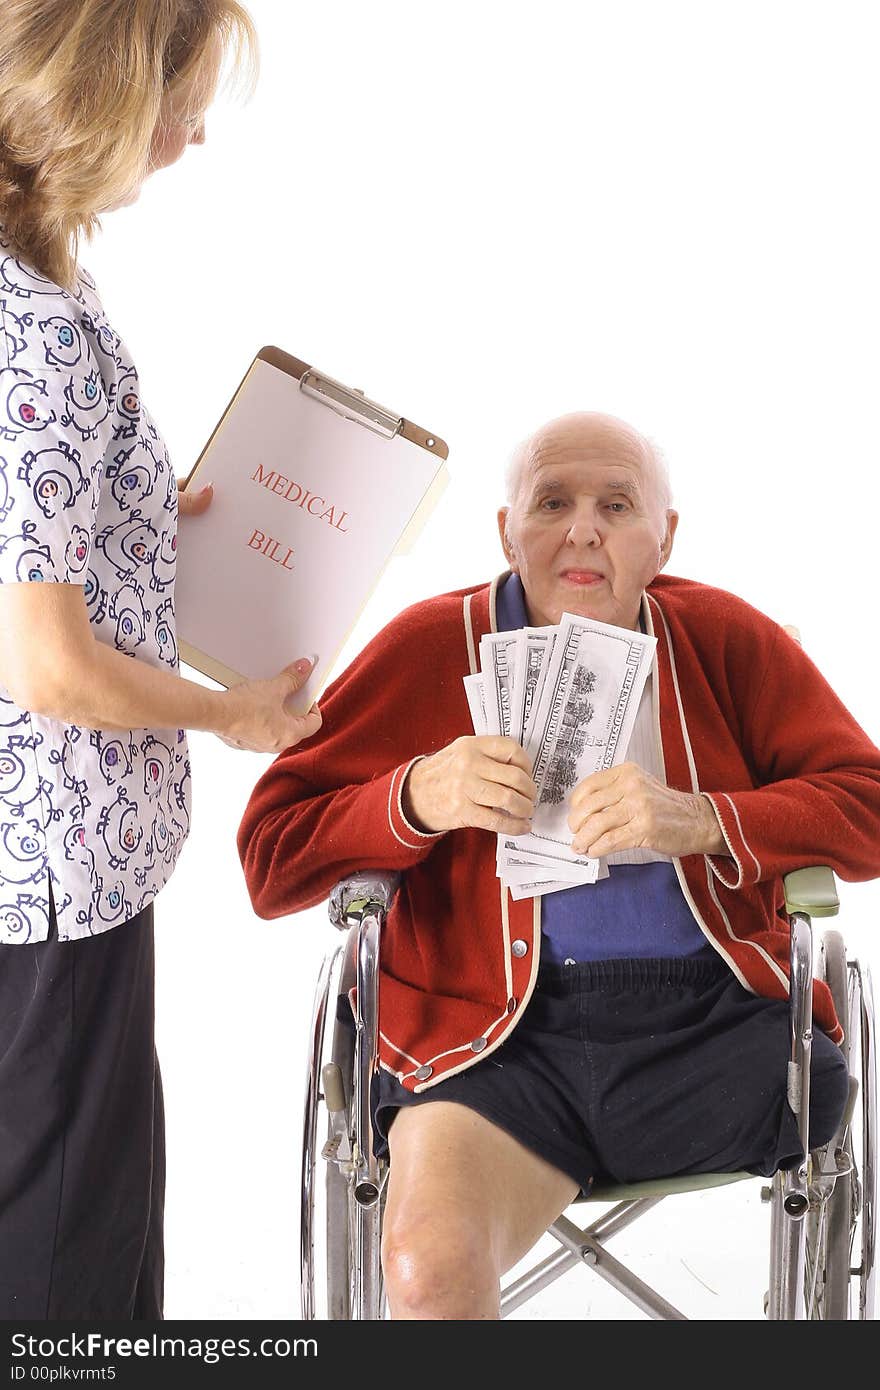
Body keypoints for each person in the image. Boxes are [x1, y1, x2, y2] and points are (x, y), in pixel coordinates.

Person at [237, 410, 880, 1320]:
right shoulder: (427, 646)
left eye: (616, 505)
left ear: (665, 539)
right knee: (424, 1268)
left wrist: (707, 820)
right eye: (553, 502)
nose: (583, 528)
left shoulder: (724, 637)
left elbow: (867, 801)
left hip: (712, 1033)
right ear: (507, 532)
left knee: (813, 1089)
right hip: (491, 1050)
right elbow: (271, 851)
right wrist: (416, 796)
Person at [0, 1, 321, 1320]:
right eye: (176, 105)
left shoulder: (37, 285)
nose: (189, 138)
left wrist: (134, 510)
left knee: (91, 1219)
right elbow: (50, 668)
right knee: (70, 1259)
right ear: (95, 99)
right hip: (56, 885)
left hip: (48, 878)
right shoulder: (36, 336)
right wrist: (230, 712)